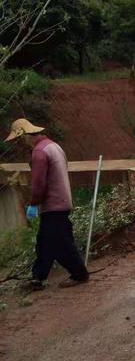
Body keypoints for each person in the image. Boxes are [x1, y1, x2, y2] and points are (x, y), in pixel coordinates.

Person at [5, 118, 89, 290]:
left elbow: (38, 183)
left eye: (19, 140)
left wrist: (34, 203)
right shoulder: (53, 146)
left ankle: (80, 274)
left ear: (24, 135)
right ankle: (38, 278)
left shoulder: (39, 153)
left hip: (53, 204)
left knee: (60, 243)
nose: (20, 145)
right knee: (44, 242)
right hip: (62, 200)